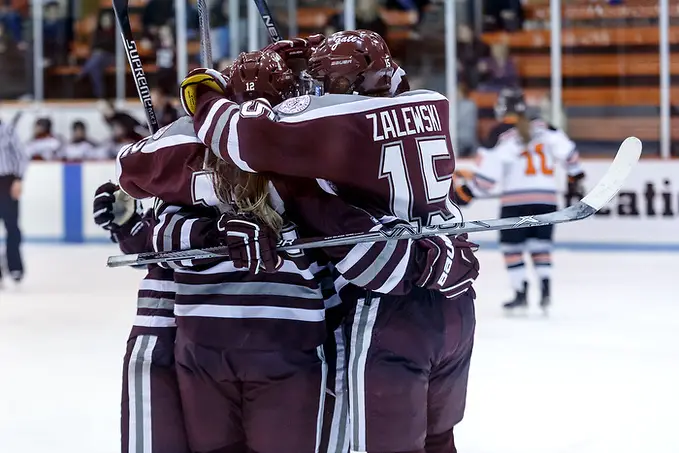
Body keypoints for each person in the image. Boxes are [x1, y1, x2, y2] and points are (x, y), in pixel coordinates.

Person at [179, 31, 479, 453]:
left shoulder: (337, 122)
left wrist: (207, 92)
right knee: (439, 436)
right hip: (455, 297)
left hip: (386, 302)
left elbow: (237, 137)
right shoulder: (433, 103)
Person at [117, 52, 339, 453]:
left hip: (226, 338)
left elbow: (138, 185)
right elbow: (162, 234)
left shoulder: (188, 157)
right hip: (260, 337)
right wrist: (216, 228)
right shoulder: (306, 152)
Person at [454, 88, 585, 313]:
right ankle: (545, 288)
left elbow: (486, 179)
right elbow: (571, 155)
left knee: (512, 247)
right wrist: (575, 178)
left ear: (502, 109)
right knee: (540, 245)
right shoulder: (546, 127)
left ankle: (521, 292)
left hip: (515, 202)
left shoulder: (498, 134)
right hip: (547, 199)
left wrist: (465, 193)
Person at [92, 182, 190, 453]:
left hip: (272, 330)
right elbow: (153, 246)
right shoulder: (169, 161)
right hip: (168, 327)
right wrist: (129, 225)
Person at [0, 115, 27, 286]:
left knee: (12, 226)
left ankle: (14, 266)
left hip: (7, 182)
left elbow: (21, 156)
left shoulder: (7, 130)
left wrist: (18, 179)